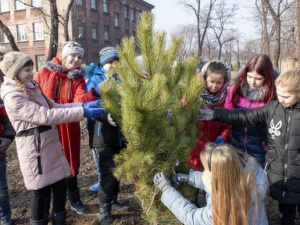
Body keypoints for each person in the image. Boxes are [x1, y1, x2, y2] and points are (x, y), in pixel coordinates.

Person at [0, 50, 105, 225]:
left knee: (59, 186)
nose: (31, 73)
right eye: (26, 70)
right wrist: (82, 111)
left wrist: (82, 104)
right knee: (40, 192)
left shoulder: (31, 87)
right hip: (35, 151)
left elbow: (55, 106)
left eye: (31, 69)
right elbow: (46, 116)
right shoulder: (13, 96)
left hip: (49, 144)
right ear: (14, 72)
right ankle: (38, 221)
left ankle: (59, 219)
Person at [199, 68, 300, 225]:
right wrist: (215, 113)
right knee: (286, 215)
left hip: (298, 176)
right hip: (280, 177)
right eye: (279, 95)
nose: (281, 99)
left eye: (286, 96)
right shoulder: (273, 109)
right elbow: (244, 116)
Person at [34, 41, 100, 214]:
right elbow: (33, 94)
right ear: (64, 56)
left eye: (80, 57)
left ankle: (73, 198)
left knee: (70, 164)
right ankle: (50, 204)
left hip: (68, 127)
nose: (76, 59)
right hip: (46, 125)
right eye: (73, 55)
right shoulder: (45, 72)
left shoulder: (77, 79)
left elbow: (79, 101)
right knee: (48, 165)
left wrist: (94, 94)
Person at [154, 143, 268, 225]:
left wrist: (166, 189)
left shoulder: (222, 210)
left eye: (207, 170)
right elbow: (220, 183)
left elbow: (191, 217)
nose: (204, 173)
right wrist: (191, 178)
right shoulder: (250, 181)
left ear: (217, 177)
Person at [86, 46, 126, 224]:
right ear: (103, 63)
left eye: (116, 61)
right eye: (109, 62)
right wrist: (104, 116)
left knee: (118, 170)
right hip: (102, 133)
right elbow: (88, 105)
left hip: (121, 132)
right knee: (107, 173)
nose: (113, 65)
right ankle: (105, 209)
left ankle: (114, 201)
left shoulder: (123, 79)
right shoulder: (95, 80)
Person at [223, 54, 278, 168]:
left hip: (260, 151)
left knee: (257, 183)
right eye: (249, 76)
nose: (252, 82)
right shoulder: (237, 89)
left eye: (258, 79)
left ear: (267, 77)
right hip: (236, 146)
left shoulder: (273, 95)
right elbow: (226, 115)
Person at [187, 61, 231, 171]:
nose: (214, 86)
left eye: (218, 82)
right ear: (205, 78)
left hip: (214, 147)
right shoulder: (193, 94)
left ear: (224, 82)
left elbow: (229, 124)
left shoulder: (227, 99)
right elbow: (182, 116)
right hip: (193, 145)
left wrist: (223, 137)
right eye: (211, 81)